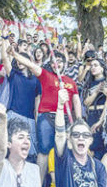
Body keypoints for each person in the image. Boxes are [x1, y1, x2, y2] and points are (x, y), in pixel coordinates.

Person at [10, 48, 82, 180]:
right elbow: (30, 65)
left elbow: (76, 101)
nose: (57, 64)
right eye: (54, 62)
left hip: (65, 119)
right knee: (43, 152)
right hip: (46, 117)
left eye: (60, 61)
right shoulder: (45, 75)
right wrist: (15, 54)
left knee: (64, 152)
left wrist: (79, 121)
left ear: (65, 64)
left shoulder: (71, 82)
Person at [0, 37, 41, 162]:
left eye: (22, 60)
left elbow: (37, 104)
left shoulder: (36, 80)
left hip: (29, 119)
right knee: (9, 150)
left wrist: (36, 121)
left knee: (29, 153)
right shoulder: (13, 75)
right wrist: (4, 39)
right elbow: (5, 58)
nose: (19, 62)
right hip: (13, 115)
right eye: (17, 60)